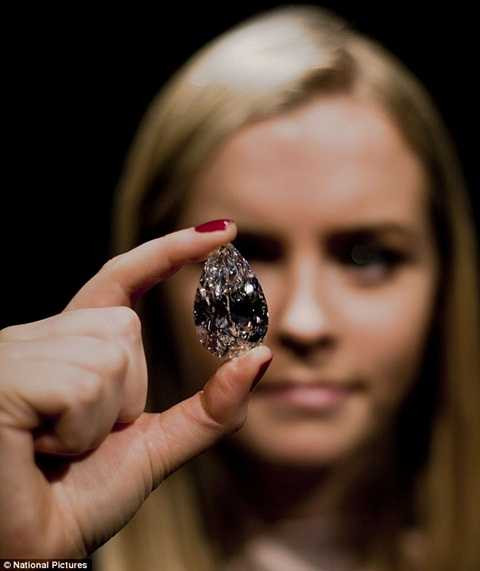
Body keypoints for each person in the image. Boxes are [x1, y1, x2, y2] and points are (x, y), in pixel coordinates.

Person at [1, 5, 478, 571]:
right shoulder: (46, 544)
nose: (304, 322)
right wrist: (26, 555)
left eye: (367, 256)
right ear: (152, 282)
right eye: (246, 256)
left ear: (445, 278)